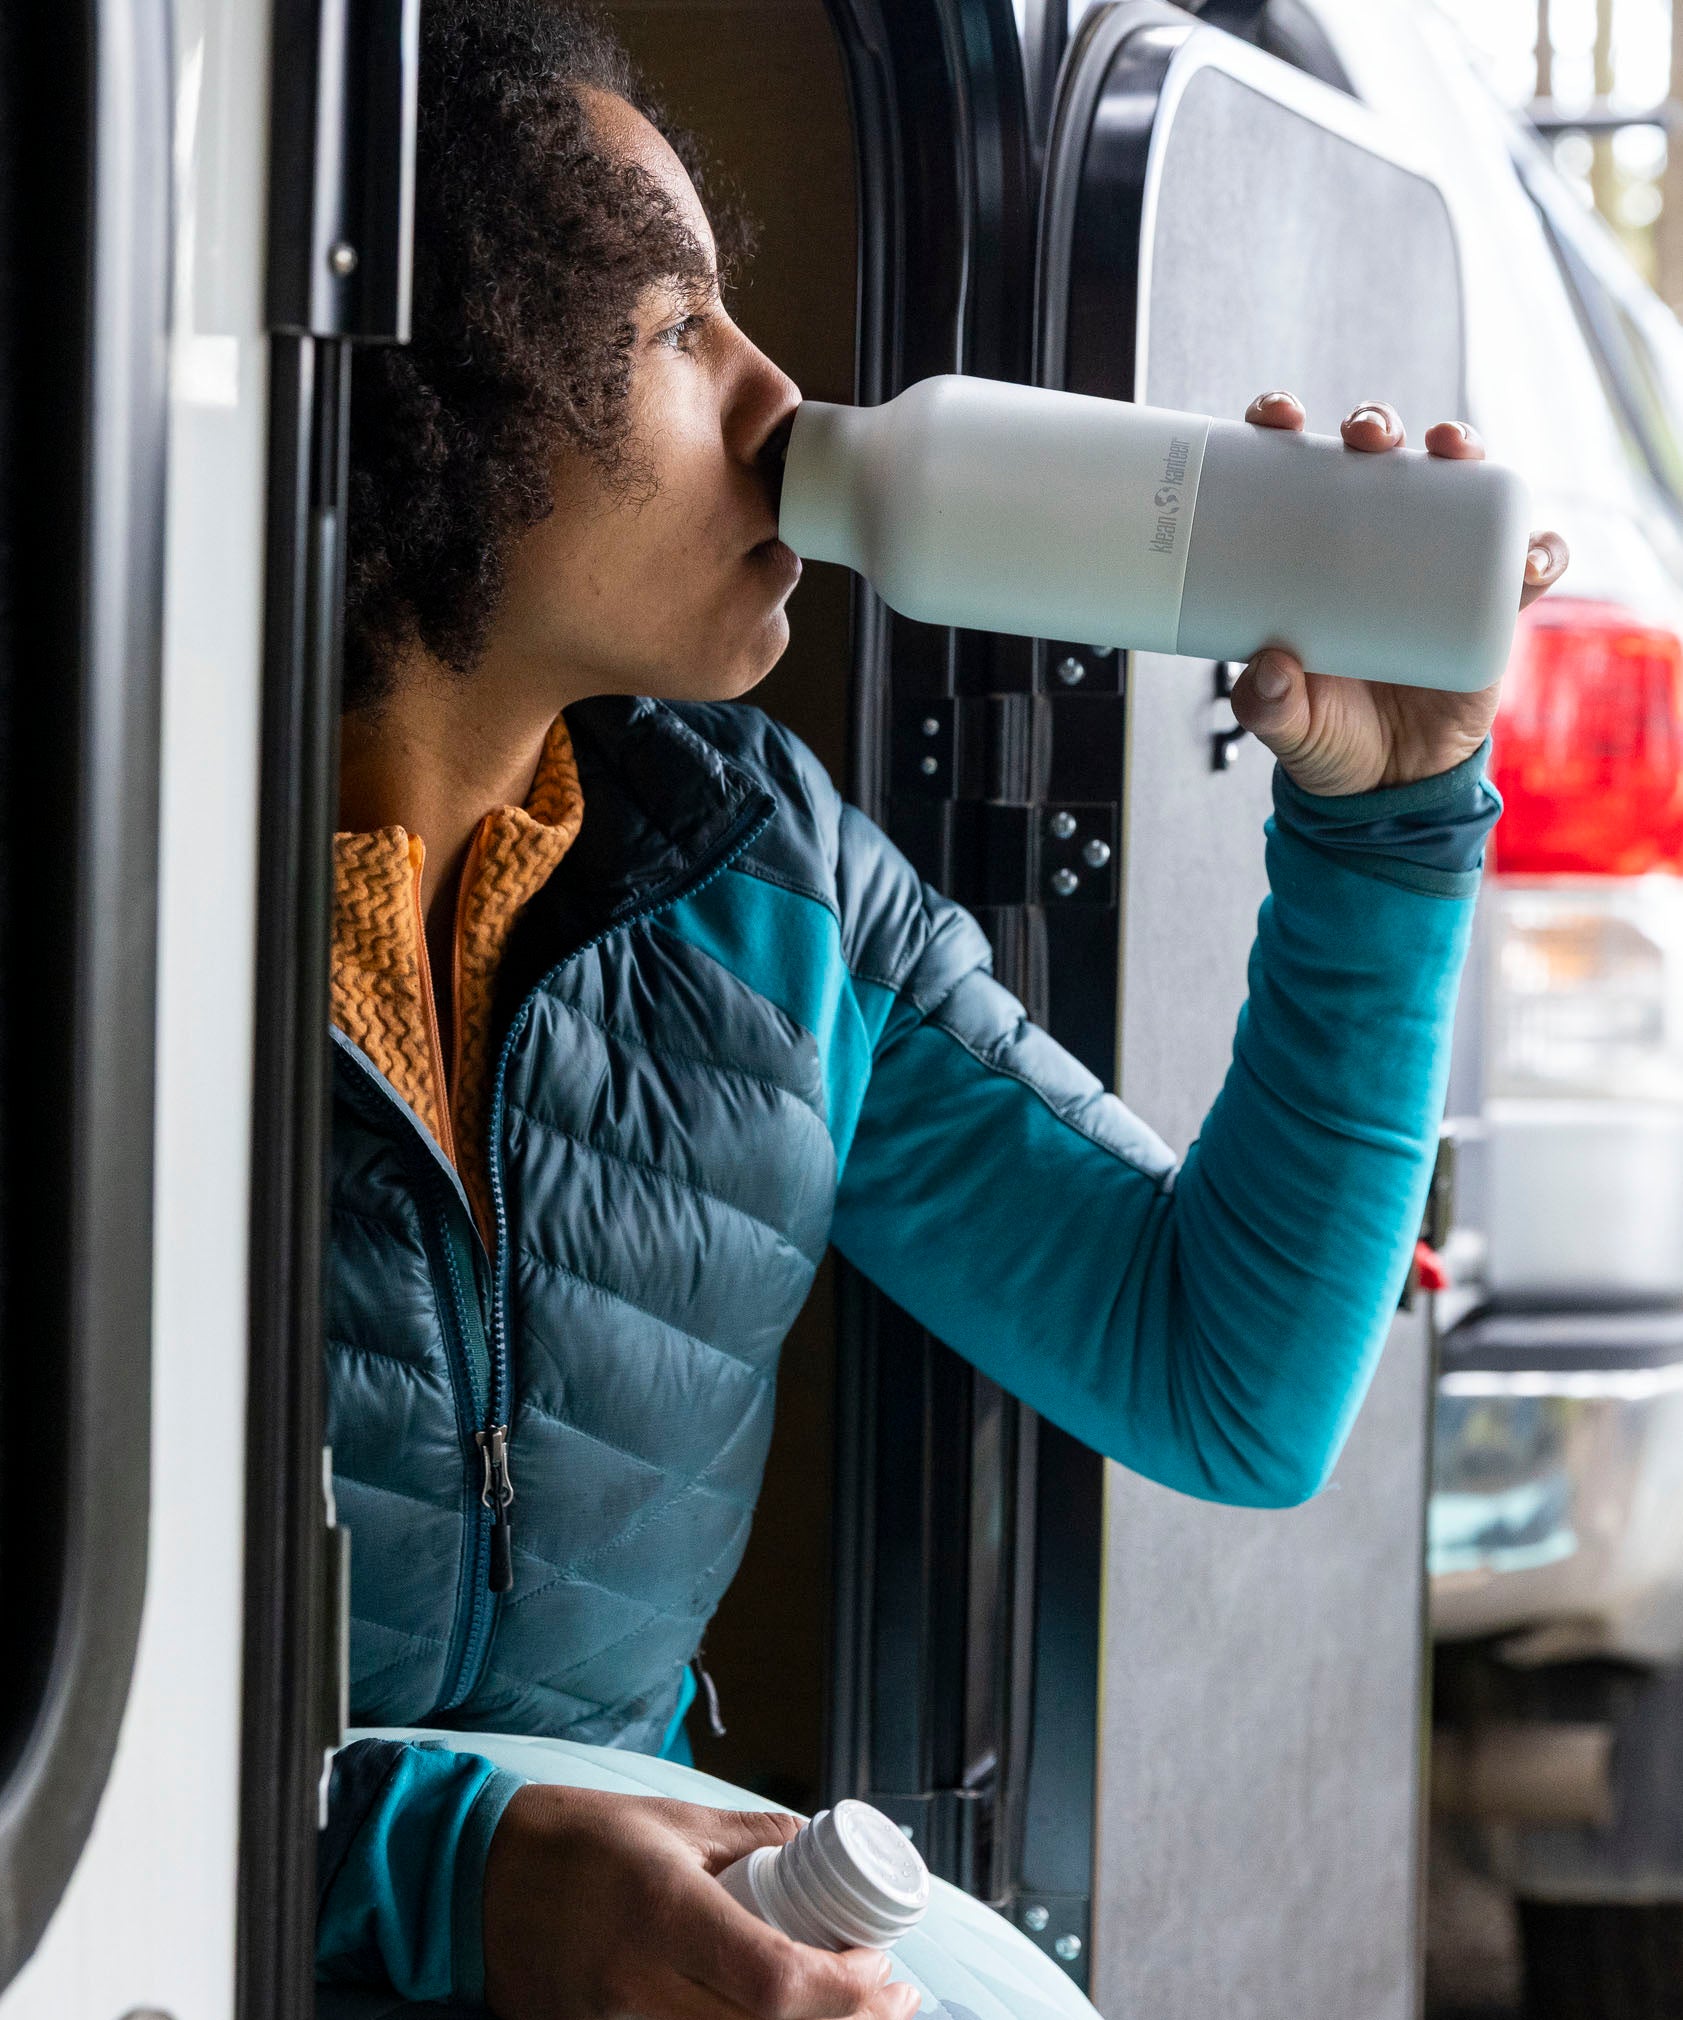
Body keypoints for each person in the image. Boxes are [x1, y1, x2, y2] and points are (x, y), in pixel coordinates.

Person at [314, 3, 1570, 2015]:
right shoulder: (137, 919)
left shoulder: (762, 882)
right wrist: (449, 1875)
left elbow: (1220, 1377)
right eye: (672, 334)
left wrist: (1386, 822)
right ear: (440, 412)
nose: (775, 397)